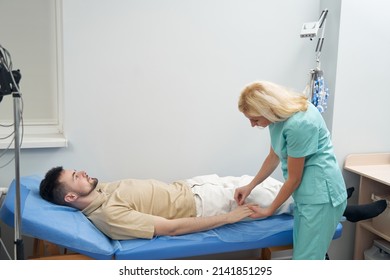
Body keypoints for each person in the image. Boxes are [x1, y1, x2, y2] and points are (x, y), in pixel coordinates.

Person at [235, 80, 348, 260]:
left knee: (306, 262)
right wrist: (251, 185)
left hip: (321, 196)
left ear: (267, 109)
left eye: (254, 119)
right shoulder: (277, 118)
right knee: (304, 257)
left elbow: (294, 179)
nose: (252, 125)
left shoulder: (299, 123)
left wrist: (269, 210)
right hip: (307, 194)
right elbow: (273, 157)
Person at [39, 166, 294, 240]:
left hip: (195, 185)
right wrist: (227, 218)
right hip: (204, 204)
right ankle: (329, 208)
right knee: (284, 200)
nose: (82, 172)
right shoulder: (109, 216)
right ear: (71, 197)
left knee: (265, 183)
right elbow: (171, 228)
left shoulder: (99, 189)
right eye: (76, 177)